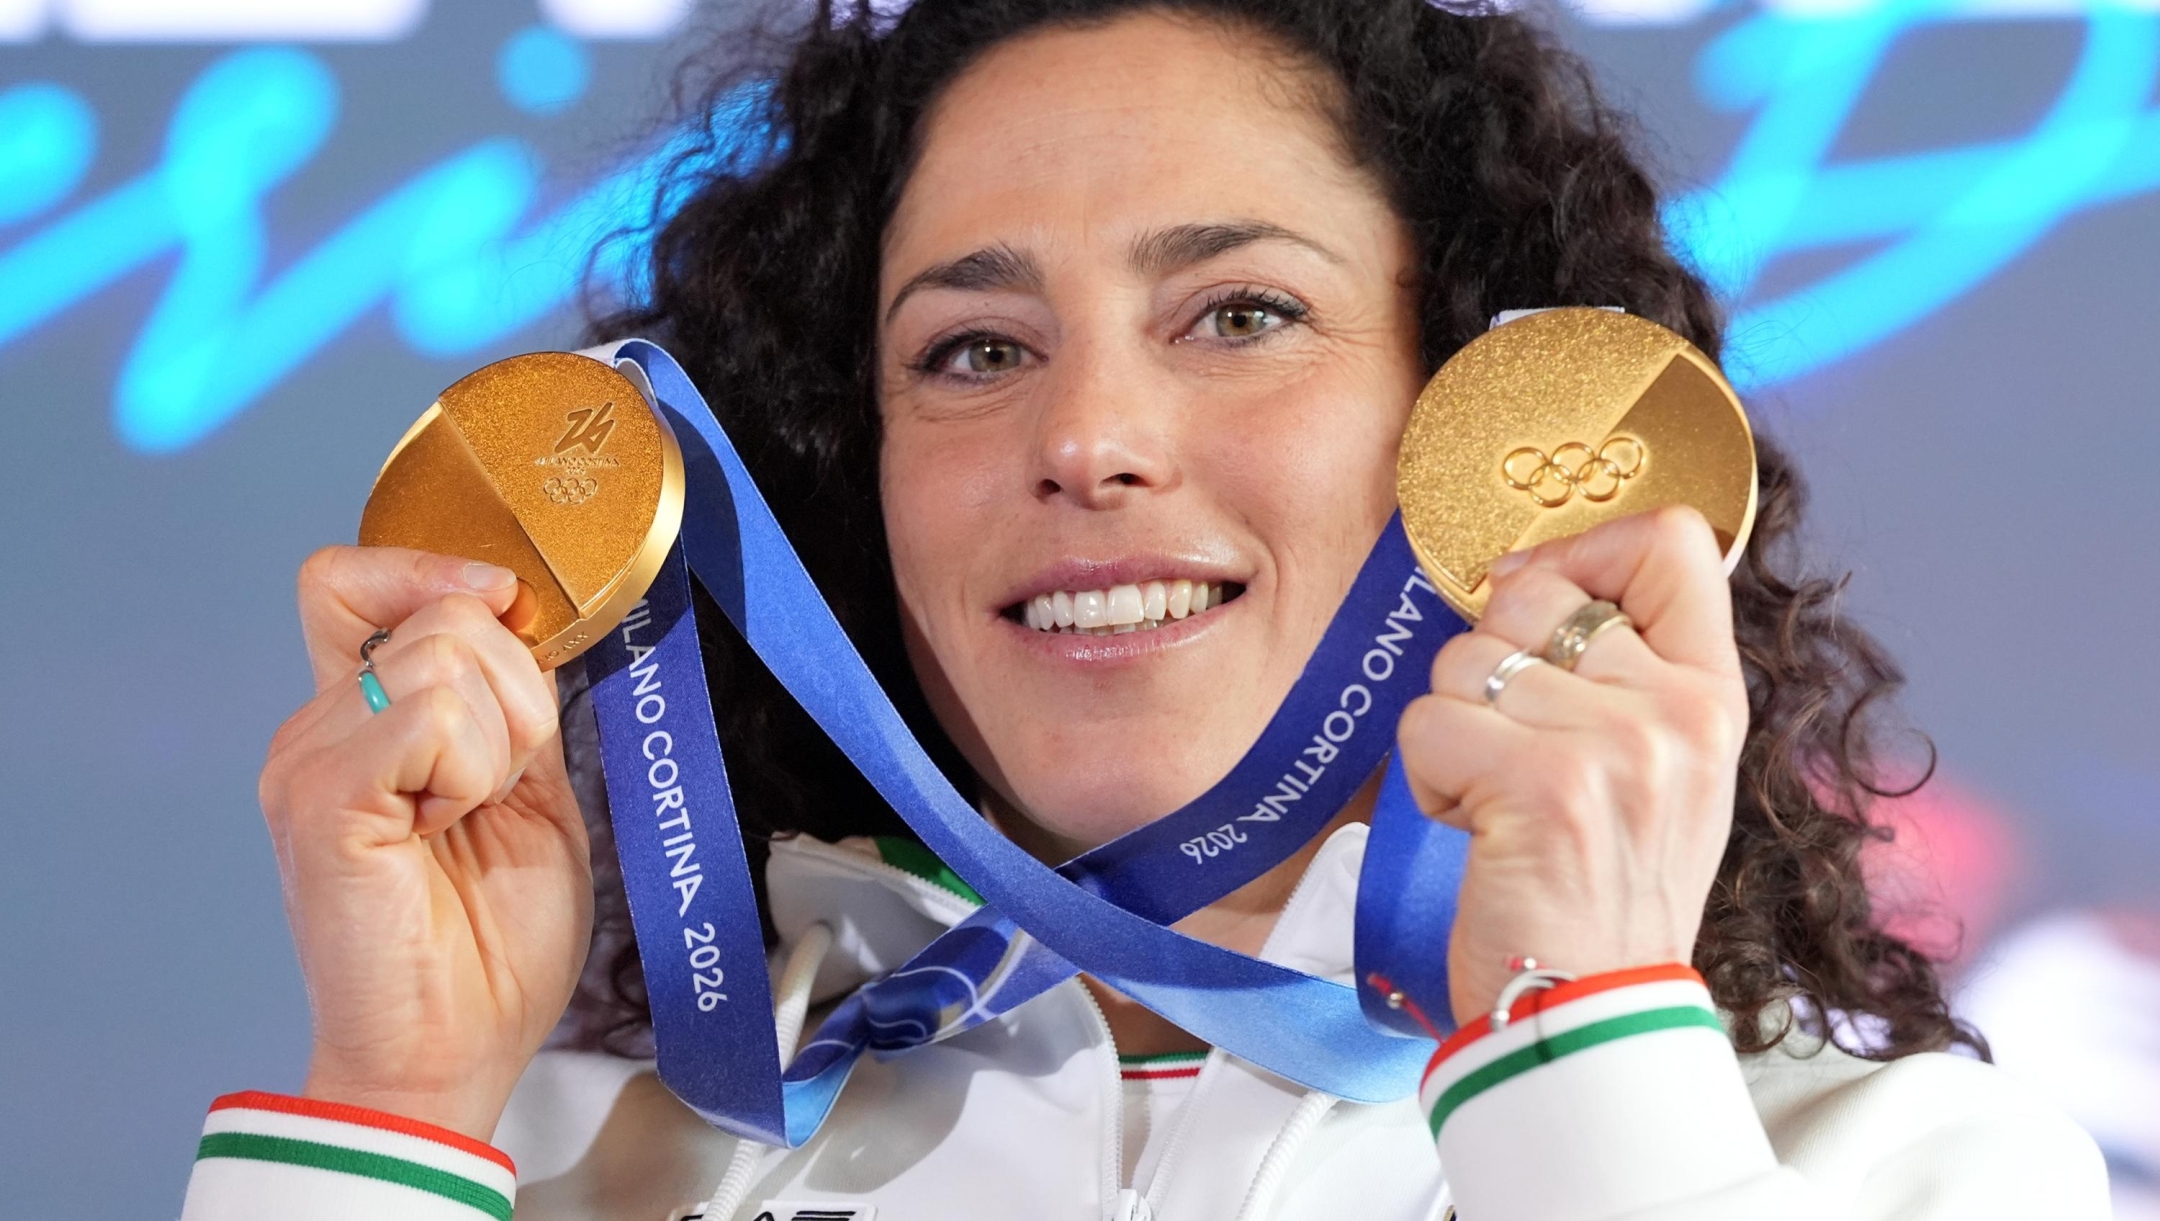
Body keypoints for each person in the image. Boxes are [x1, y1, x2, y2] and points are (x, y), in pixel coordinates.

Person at [178, 1, 2109, 1218]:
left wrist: (1574, 1038)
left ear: (1484, 428)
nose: (1087, 434)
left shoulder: (1900, 1172)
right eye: (972, 348)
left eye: (1241, 314)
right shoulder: (553, 1167)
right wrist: (397, 1097)